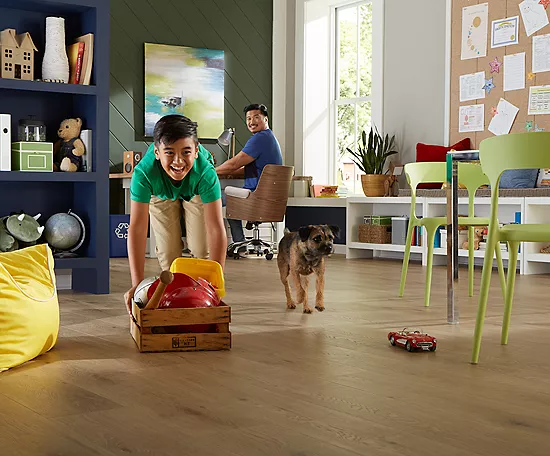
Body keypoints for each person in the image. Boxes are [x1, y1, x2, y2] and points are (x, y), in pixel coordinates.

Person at [124, 115, 227, 312]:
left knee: (201, 250)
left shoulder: (206, 173)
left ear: (196, 152)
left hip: (196, 189)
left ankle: (199, 300)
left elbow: (216, 229)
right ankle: (172, 301)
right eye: (169, 153)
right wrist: (136, 284)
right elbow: (137, 228)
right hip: (160, 192)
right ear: (156, 152)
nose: (178, 161)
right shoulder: (144, 173)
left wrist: (215, 283)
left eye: (186, 152)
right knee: (169, 257)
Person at [215, 104, 283, 252]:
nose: (252, 121)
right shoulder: (269, 138)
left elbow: (234, 163)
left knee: (214, 196)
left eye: (256, 117)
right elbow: (249, 168)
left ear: (266, 119)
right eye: (248, 118)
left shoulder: (259, 138)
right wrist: (227, 171)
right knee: (230, 200)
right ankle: (240, 244)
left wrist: (210, 171)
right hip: (269, 199)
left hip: (255, 198)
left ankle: (212, 246)